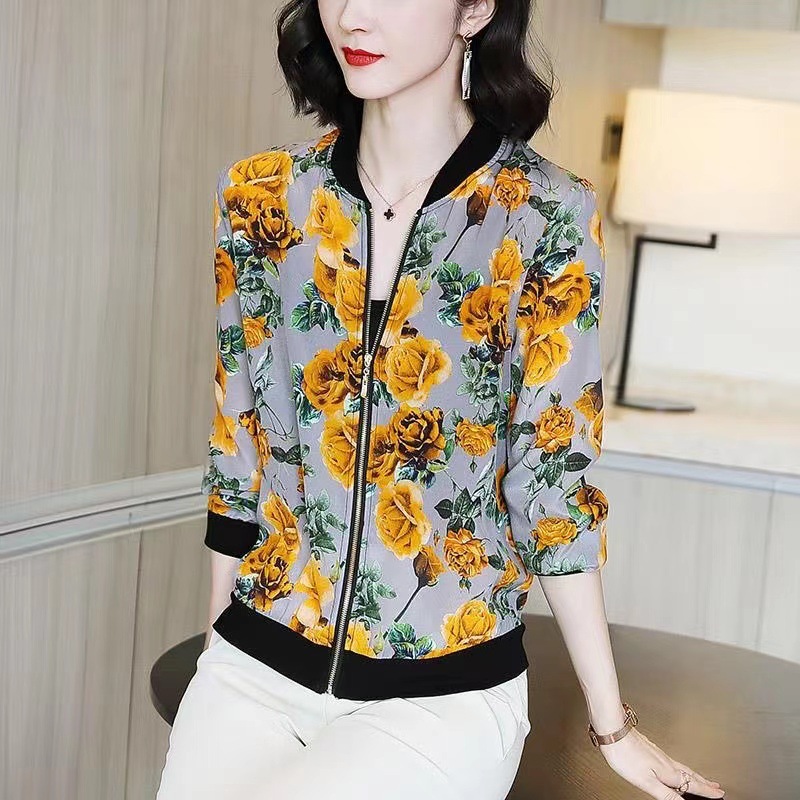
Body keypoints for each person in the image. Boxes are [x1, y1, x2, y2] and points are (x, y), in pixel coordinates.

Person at [156, 1, 726, 799]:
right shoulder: (262, 196)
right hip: (256, 661)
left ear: (476, 8)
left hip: (441, 693)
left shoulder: (544, 215)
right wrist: (216, 654)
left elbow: (552, 485)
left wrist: (612, 725)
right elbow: (239, 439)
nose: (353, 15)